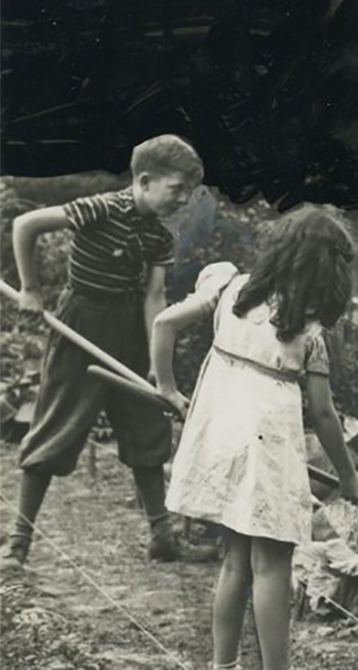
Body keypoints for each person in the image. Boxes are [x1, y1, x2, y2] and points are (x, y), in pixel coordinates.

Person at [151, 205, 358, 670]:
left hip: (221, 438)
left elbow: (163, 322)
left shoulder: (232, 291)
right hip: (267, 449)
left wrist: (166, 387)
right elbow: (322, 414)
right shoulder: (309, 331)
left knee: (235, 563)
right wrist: (350, 477)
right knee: (273, 564)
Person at [3, 135, 206, 576]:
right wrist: (32, 288)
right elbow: (26, 225)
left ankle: (162, 538)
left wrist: (156, 363)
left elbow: (154, 298)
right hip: (80, 324)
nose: (184, 198)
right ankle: (17, 543)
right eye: (177, 188)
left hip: (131, 329)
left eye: (189, 190)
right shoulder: (101, 207)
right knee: (55, 426)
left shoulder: (158, 234)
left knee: (146, 424)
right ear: (145, 180)